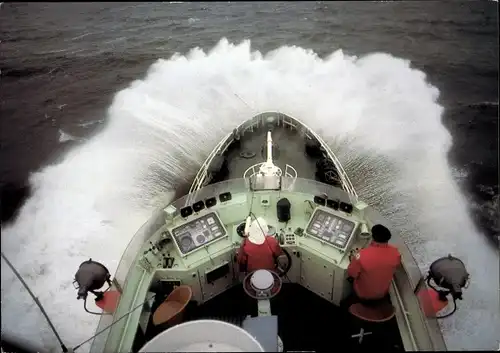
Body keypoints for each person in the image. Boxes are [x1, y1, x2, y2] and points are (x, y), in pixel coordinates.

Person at [342, 224, 401, 308]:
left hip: (363, 295)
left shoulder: (362, 255)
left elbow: (351, 273)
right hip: (382, 295)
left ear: (373, 237)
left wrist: (354, 258)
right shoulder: (396, 253)